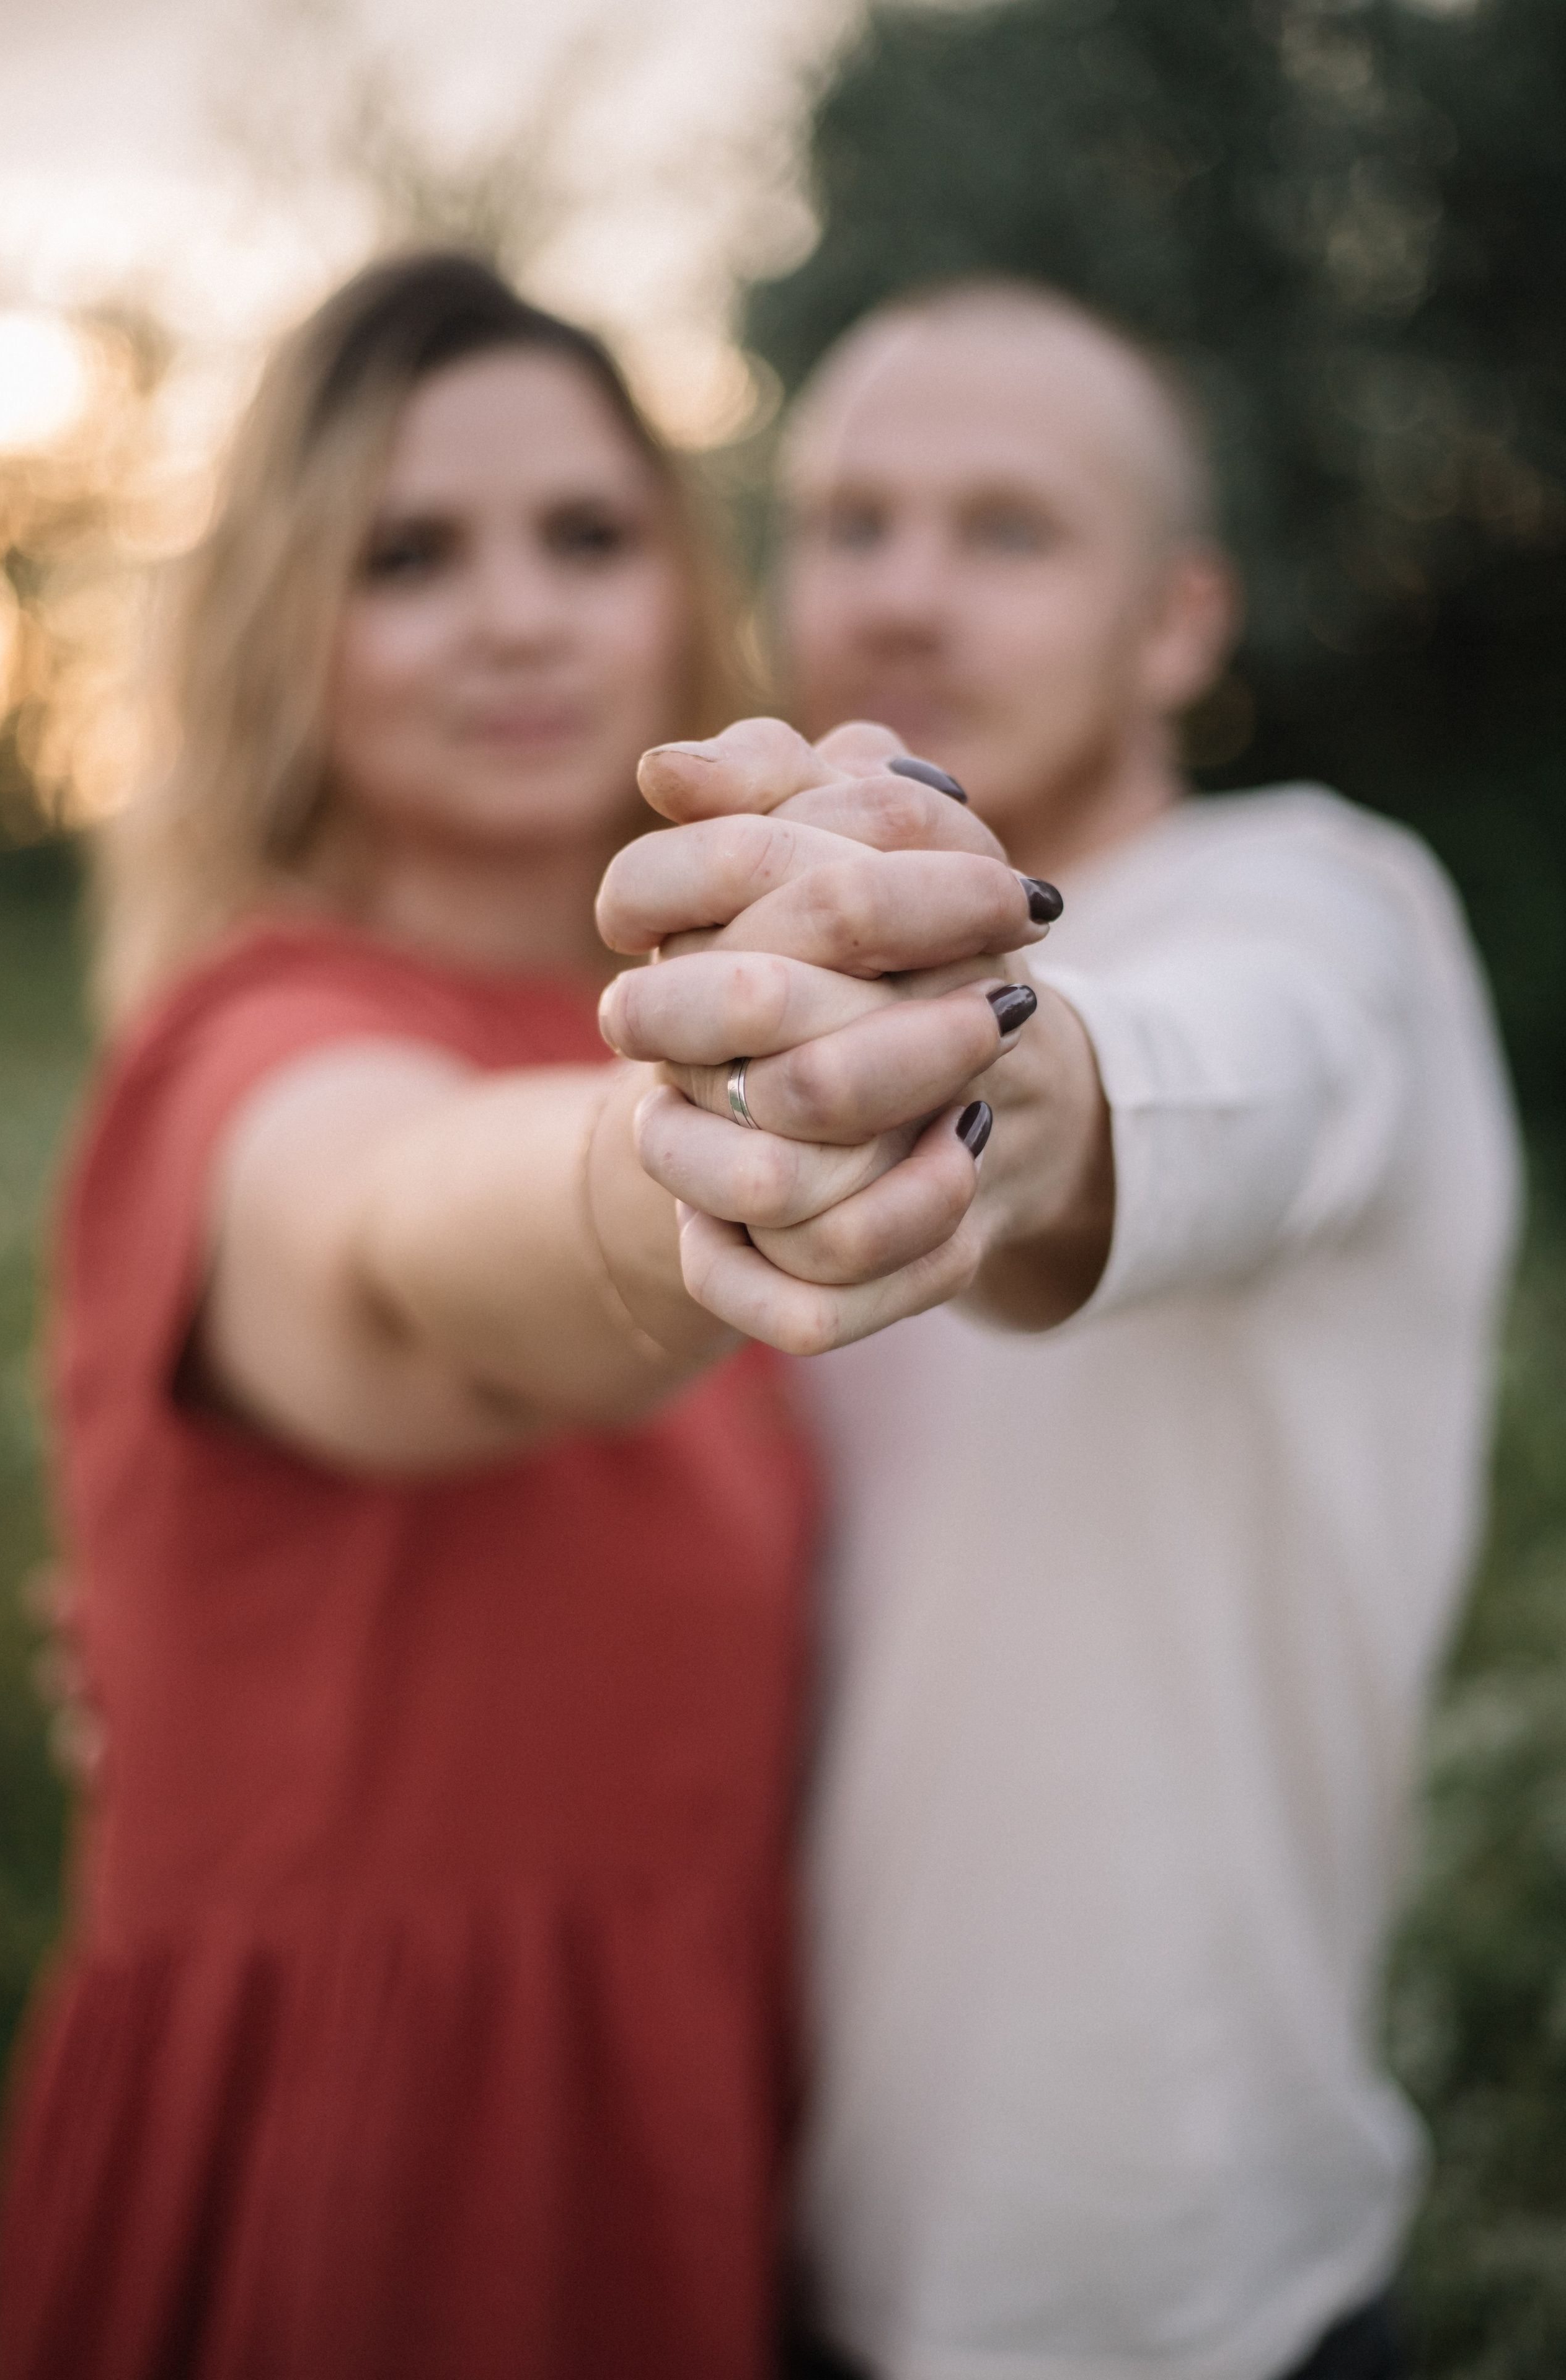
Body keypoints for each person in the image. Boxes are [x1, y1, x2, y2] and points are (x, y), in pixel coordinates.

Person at [0, 254, 1056, 2380]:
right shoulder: (245, 1055)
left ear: (678, 585)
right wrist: (720, 1109)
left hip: (690, 2149)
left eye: (585, 535)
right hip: (358, 2194)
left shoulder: (602, 1011)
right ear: (286, 627)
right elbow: (401, 1236)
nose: (514, 615)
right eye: (409, 556)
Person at [617, 282, 1521, 2380]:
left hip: (1173, 2291)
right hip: (740, 2248)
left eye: (1006, 531)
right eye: (849, 523)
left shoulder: (1329, 906)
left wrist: (999, 1092)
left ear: (1184, 620)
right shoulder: (738, 995)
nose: (907, 593)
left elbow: (1230, 1079)